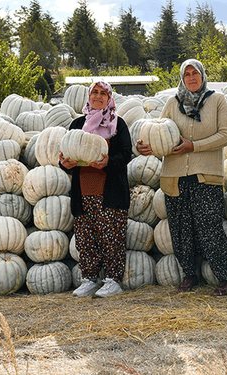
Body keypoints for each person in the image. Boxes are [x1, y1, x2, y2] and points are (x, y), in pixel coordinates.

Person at [137, 59, 227, 296]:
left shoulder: (217, 100)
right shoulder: (172, 104)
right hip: (174, 176)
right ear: (182, 79)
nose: (192, 78)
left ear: (203, 75)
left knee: (210, 228)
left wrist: (194, 146)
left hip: (206, 176)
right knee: (181, 230)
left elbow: (226, 136)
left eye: (196, 73)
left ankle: (225, 278)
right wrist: (147, 147)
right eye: (187, 74)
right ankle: (189, 275)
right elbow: (160, 134)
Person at [59, 81, 132, 298]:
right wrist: (64, 164)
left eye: (103, 93)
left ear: (109, 98)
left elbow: (126, 154)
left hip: (109, 193)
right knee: (86, 238)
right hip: (83, 192)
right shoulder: (77, 124)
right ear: (89, 96)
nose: (98, 97)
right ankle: (89, 279)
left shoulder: (117, 124)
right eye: (94, 92)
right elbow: (64, 154)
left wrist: (108, 163)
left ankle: (113, 280)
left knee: (111, 238)